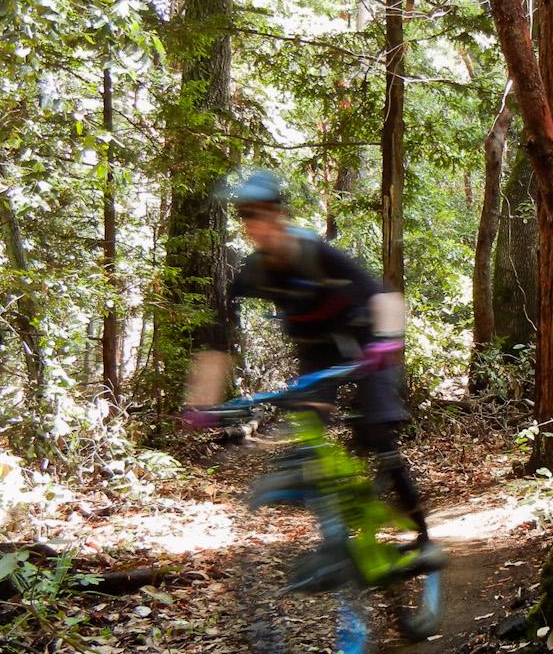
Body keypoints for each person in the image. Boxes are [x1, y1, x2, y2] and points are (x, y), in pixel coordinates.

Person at [183, 168, 437, 555]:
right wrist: (201, 404)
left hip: (364, 343)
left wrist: (386, 344)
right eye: (247, 216)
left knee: (376, 432)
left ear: (279, 214)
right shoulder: (253, 272)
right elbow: (219, 343)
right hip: (316, 353)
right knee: (308, 434)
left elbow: (385, 297)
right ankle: (338, 538)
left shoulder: (317, 254)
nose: (255, 224)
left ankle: (422, 538)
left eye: (261, 213)